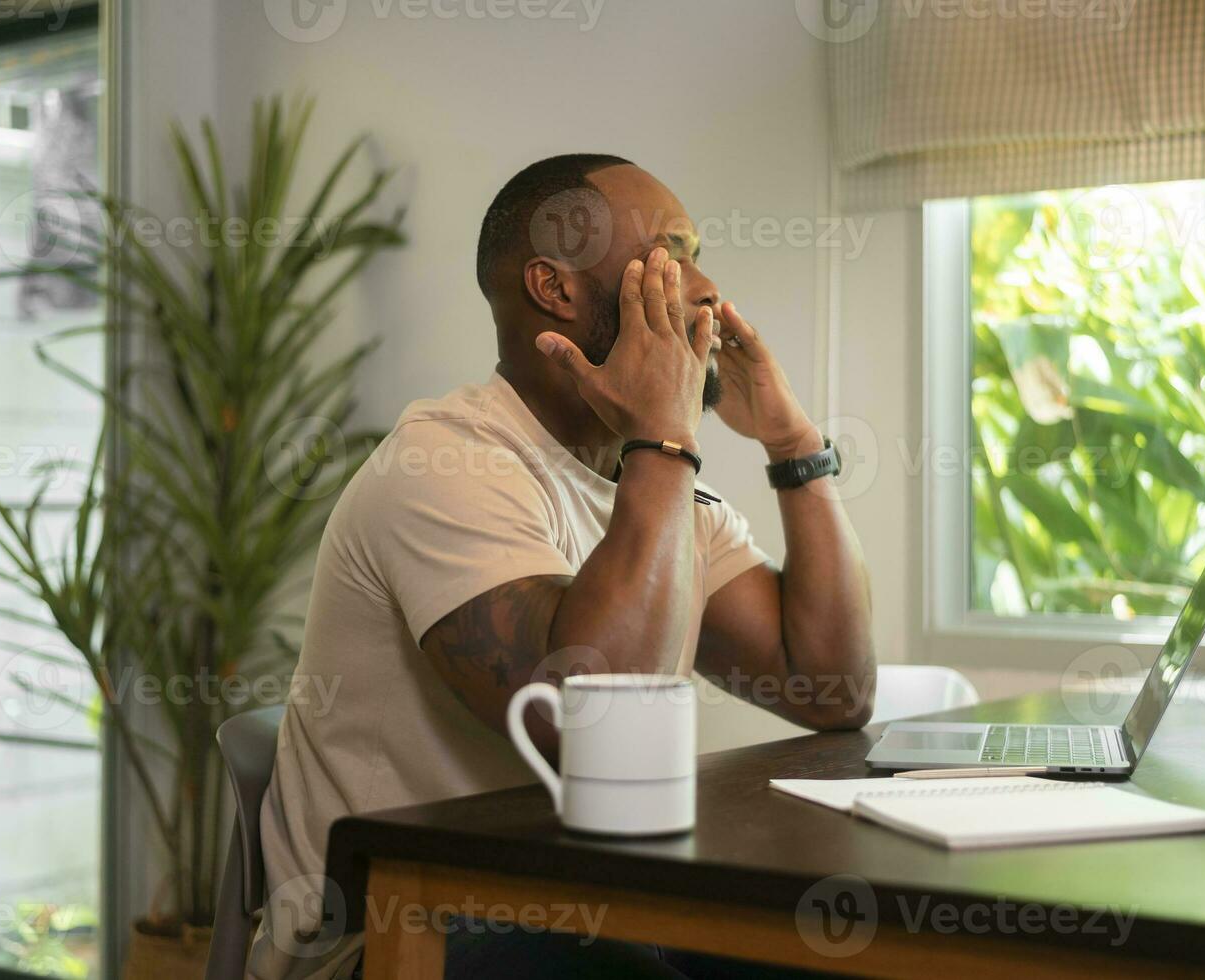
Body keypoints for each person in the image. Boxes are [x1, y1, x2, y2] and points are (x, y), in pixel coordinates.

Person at [249, 155, 876, 979]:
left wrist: (792, 444)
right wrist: (667, 436)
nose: (705, 290)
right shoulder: (444, 461)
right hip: (392, 940)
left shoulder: (661, 486)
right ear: (556, 288)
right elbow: (589, 726)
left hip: (583, 905)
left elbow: (830, 689)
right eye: (670, 254)